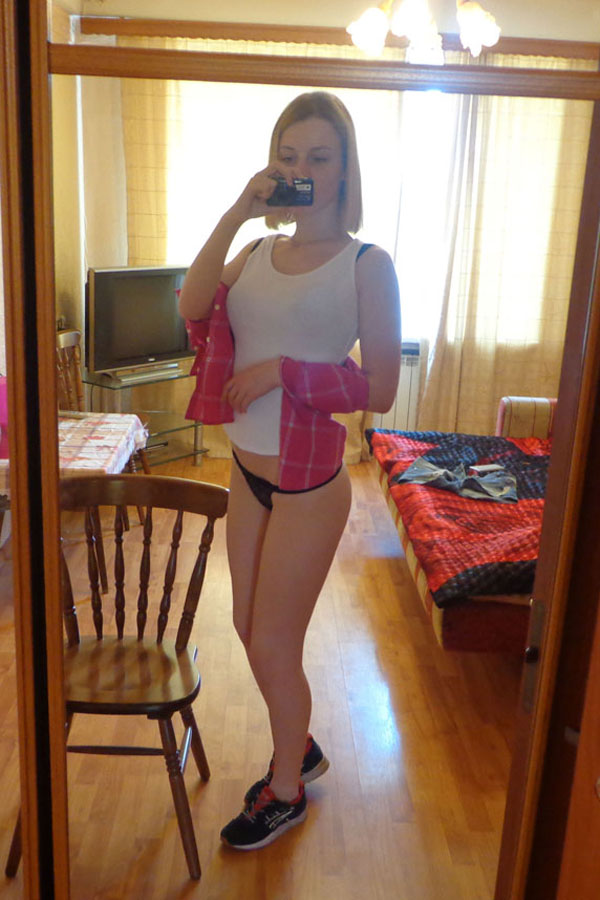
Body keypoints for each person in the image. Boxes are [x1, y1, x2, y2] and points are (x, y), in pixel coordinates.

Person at [178, 91, 401, 851]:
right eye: (289, 155)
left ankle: (285, 791)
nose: (302, 169)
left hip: (309, 483)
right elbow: (193, 303)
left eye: (319, 157)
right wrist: (240, 210)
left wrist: (281, 370)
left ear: (344, 170)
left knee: (274, 643)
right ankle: (295, 741)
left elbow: (379, 389)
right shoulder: (254, 255)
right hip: (246, 470)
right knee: (248, 628)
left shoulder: (367, 265)